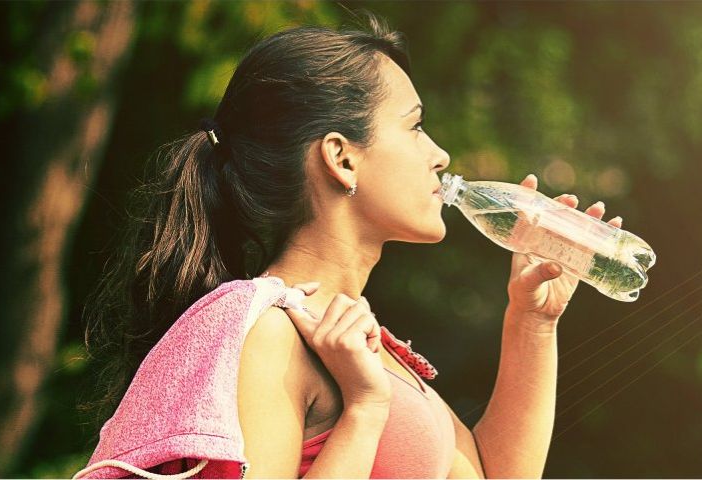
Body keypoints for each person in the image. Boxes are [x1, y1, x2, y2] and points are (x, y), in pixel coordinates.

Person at [84, 14, 623, 479]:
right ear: (342, 159)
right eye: (415, 127)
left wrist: (533, 323)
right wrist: (364, 411)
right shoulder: (271, 332)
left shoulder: (361, 345)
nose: (439, 155)